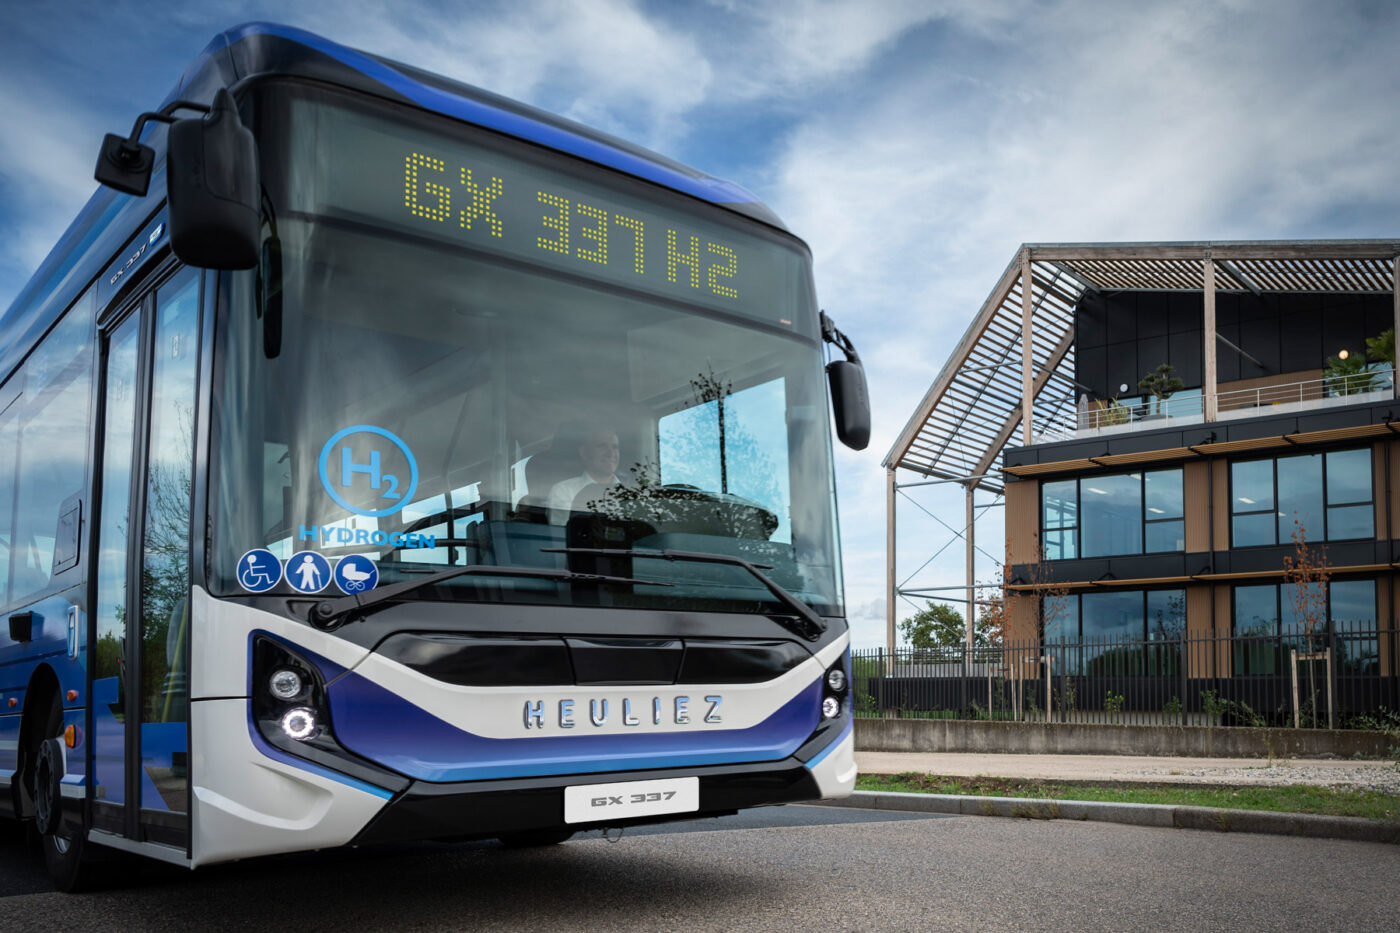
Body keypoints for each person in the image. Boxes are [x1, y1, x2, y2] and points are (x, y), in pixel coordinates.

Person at [547, 426, 622, 525]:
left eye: (615, 447)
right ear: (584, 452)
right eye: (602, 446)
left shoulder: (633, 494)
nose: (610, 453)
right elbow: (563, 535)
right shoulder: (564, 491)